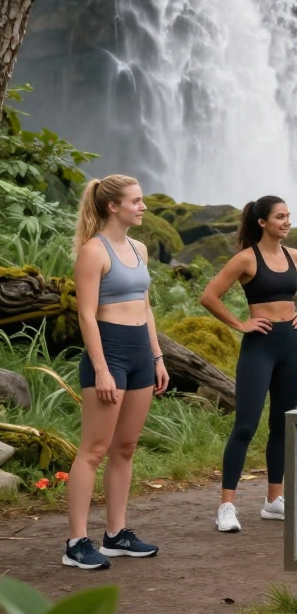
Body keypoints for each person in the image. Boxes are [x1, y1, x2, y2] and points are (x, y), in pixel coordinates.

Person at [64, 175, 169, 569]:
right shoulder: (94, 251)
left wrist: (158, 358)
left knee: (125, 447)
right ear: (113, 206)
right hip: (108, 354)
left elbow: (146, 308)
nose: (143, 207)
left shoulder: (139, 248)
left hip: (141, 353)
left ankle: (116, 534)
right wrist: (101, 369)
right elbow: (86, 315)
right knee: (93, 450)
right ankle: (76, 542)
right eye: (136, 201)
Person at [200, 196, 297, 533]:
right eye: (280, 217)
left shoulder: (295, 256)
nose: (287, 222)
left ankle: (273, 500)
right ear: (262, 222)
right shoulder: (245, 260)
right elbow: (209, 296)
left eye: (288, 216)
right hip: (259, 347)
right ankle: (226, 506)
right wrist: (240, 324)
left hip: (290, 345)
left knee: (283, 424)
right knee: (245, 425)